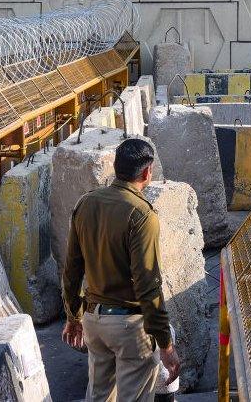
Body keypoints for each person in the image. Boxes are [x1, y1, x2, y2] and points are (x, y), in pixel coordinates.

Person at [62, 139, 180, 402]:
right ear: (147, 173)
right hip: (129, 327)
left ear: (116, 167)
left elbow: (71, 269)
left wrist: (73, 316)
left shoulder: (86, 203)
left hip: (94, 323)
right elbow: (148, 285)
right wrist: (166, 345)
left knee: (99, 397)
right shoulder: (141, 215)